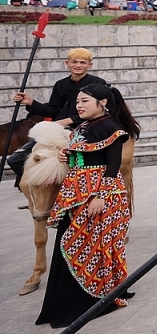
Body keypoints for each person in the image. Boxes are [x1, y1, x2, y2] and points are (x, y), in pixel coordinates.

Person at [35, 83, 139, 328]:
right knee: (71, 243)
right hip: (76, 192)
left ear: (102, 102)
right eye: (78, 102)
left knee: (92, 245)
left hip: (101, 194)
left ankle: (98, 293)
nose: (78, 106)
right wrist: (66, 155)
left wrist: (100, 196)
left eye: (84, 101)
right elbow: (80, 155)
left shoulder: (111, 127)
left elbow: (112, 166)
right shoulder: (81, 127)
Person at [10, 48, 107, 191]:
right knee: (15, 159)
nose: (78, 65)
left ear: (89, 65)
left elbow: (100, 110)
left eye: (82, 62)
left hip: (86, 128)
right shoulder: (61, 84)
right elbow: (54, 109)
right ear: (67, 63)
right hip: (58, 128)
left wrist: (71, 120)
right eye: (74, 62)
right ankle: (38, 193)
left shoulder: (98, 83)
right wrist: (31, 102)